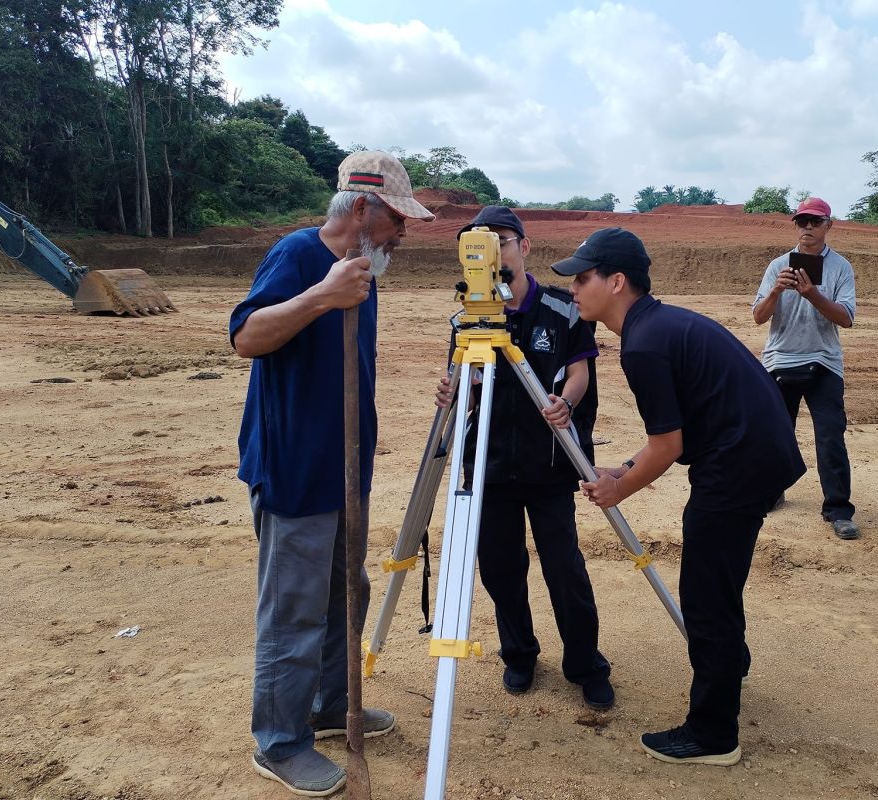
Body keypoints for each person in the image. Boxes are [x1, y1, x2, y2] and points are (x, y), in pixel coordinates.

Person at [552, 228, 805, 766]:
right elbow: (675, 436)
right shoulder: (661, 326)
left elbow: (667, 445)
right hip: (753, 454)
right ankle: (728, 664)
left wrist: (618, 485)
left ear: (616, 282)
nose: (574, 289)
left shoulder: (644, 344)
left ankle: (714, 735)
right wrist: (621, 468)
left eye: (583, 278)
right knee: (718, 578)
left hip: (739, 463)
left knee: (707, 594)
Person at [229, 150, 435, 797]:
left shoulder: (365, 271)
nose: (403, 233)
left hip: (344, 471)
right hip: (295, 471)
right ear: (364, 209)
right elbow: (245, 336)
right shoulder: (298, 257)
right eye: (398, 220)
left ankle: (327, 705)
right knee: (294, 612)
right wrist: (321, 296)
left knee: (349, 592)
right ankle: (280, 743)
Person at [435, 206, 614, 710]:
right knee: (499, 567)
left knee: (564, 568)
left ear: (524, 247)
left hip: (549, 462)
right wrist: (454, 390)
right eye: (480, 241)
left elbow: (579, 371)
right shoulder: (465, 317)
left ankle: (585, 663)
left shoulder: (563, 308)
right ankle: (519, 654)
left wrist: (567, 403)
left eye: (502, 240)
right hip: (488, 463)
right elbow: (471, 389)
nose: (493, 250)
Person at [752, 197, 859, 540]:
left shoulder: (840, 267)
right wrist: (776, 291)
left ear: (829, 225)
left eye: (815, 222)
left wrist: (811, 293)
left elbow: (846, 318)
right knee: (774, 436)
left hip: (824, 361)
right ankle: (771, 492)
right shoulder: (777, 266)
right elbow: (758, 317)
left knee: (830, 437)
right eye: (802, 222)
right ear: (795, 225)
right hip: (780, 359)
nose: (808, 228)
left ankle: (838, 510)